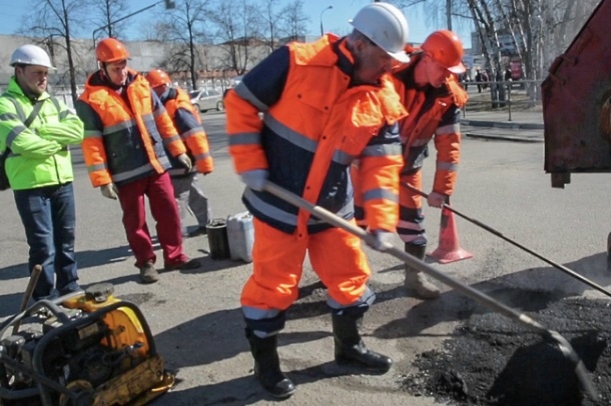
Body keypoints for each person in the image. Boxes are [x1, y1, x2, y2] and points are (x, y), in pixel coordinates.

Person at [225, 2, 409, 399]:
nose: (388, 69)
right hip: (279, 205)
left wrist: (381, 222)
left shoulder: (383, 97)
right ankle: (267, 366)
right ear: (359, 44)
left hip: (331, 207)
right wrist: (250, 162)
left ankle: (349, 348)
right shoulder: (295, 61)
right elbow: (240, 102)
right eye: (383, 59)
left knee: (350, 280)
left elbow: (382, 166)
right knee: (272, 288)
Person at [75, 38, 201, 284]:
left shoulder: (142, 85)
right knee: (135, 221)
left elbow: (163, 121)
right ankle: (146, 263)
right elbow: (92, 144)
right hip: (124, 171)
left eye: (123, 65)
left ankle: (175, 256)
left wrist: (179, 150)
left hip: (156, 165)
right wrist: (102, 180)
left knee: (169, 211)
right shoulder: (89, 101)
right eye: (115, 68)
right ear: (102, 67)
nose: (121, 72)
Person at [0, 45, 84, 300]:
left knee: (66, 242)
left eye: (45, 73)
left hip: (62, 182)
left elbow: (77, 131)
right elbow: (23, 143)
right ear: (19, 70)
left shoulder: (54, 102)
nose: (43, 78)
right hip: (30, 186)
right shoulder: (5, 104)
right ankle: (45, 297)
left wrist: (42, 132)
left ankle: (70, 287)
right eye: (37, 72)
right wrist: (57, 140)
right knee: (43, 247)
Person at [391, 30, 470, 299]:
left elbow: (450, 147)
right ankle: (340, 280)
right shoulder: (389, 73)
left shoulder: (448, 96)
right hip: (369, 167)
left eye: (452, 70)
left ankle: (414, 280)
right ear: (427, 58)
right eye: (444, 68)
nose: (448, 75)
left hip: (409, 168)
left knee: (413, 227)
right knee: (356, 224)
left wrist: (441, 191)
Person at [145, 69, 214, 237]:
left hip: (181, 159)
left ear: (159, 87)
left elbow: (195, 135)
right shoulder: (167, 103)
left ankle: (175, 232)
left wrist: (204, 162)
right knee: (193, 192)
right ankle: (207, 223)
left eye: (150, 89)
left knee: (176, 198)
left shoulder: (177, 107)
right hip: (179, 158)